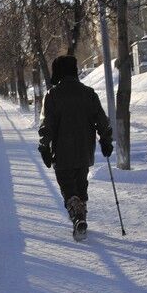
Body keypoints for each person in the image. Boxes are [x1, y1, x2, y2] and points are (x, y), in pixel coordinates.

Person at [38, 55, 113, 241]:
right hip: (84, 150)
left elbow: (48, 124)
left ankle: (78, 217)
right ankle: (81, 218)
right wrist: (106, 139)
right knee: (81, 184)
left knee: (68, 187)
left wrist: (44, 146)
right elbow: (101, 120)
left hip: (62, 152)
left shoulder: (53, 95)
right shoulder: (89, 93)